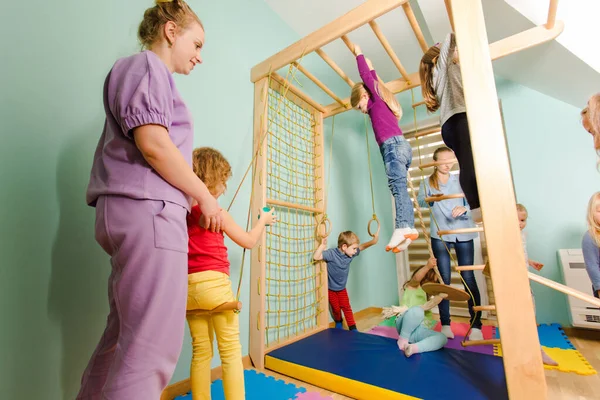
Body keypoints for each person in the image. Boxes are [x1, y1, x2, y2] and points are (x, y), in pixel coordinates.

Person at [78, 1, 222, 398]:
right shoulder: (146, 67)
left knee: (122, 336)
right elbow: (155, 145)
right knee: (151, 347)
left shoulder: (140, 73)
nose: (199, 56)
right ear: (171, 32)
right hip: (150, 213)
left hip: (126, 211)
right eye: (196, 44)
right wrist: (203, 196)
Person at [186, 147, 276, 399]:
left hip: (188, 288)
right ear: (212, 180)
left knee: (201, 351)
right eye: (223, 182)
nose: (224, 188)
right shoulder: (216, 213)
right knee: (230, 351)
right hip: (214, 285)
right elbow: (247, 241)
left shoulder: (182, 213)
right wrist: (262, 222)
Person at [349, 44, 418, 252]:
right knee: (400, 190)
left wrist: (358, 53)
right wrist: (372, 68)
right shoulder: (377, 104)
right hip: (402, 147)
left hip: (393, 148)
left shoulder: (377, 98)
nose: (362, 111)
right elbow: (373, 78)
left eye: (360, 107)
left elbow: (368, 78)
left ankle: (402, 227)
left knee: (397, 190)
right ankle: (408, 231)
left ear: (364, 96)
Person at [417, 146, 483, 341]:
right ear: (435, 162)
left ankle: (476, 325)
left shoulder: (461, 179)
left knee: (468, 277)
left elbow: (473, 202)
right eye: (442, 160)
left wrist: (464, 209)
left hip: (463, 232)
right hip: (440, 235)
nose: (447, 164)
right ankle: (446, 324)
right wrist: (431, 199)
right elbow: (421, 202)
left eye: (450, 159)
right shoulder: (427, 181)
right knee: (443, 280)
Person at [419, 33, 482, 224]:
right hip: (457, 119)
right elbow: (450, 37)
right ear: (439, 57)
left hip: (450, 124)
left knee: (468, 162)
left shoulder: (438, 73)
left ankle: (477, 204)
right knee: (469, 163)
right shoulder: (443, 66)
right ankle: (478, 206)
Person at [516, 204, 558, 366]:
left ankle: (534, 349)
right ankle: (533, 350)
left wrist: (530, 262)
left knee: (530, 312)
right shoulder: (509, 235)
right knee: (523, 313)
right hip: (515, 278)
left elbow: (521, 255)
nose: (520, 223)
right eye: (517, 220)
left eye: (523, 220)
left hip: (524, 277)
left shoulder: (522, 235)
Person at [313, 230, 379, 331]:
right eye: (354, 248)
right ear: (344, 247)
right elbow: (316, 257)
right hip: (330, 289)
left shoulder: (350, 253)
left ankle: (353, 327)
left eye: (355, 248)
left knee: (346, 308)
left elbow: (362, 247)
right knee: (335, 308)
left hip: (342, 289)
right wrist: (322, 245)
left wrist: (373, 241)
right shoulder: (331, 254)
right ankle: (338, 321)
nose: (355, 251)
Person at [383, 257, 448, 357]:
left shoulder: (428, 298)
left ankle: (413, 348)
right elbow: (416, 279)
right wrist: (427, 267)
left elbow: (433, 302)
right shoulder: (413, 286)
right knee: (418, 311)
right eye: (431, 281)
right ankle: (403, 340)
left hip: (418, 332)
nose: (433, 285)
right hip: (405, 325)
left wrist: (441, 295)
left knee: (443, 338)